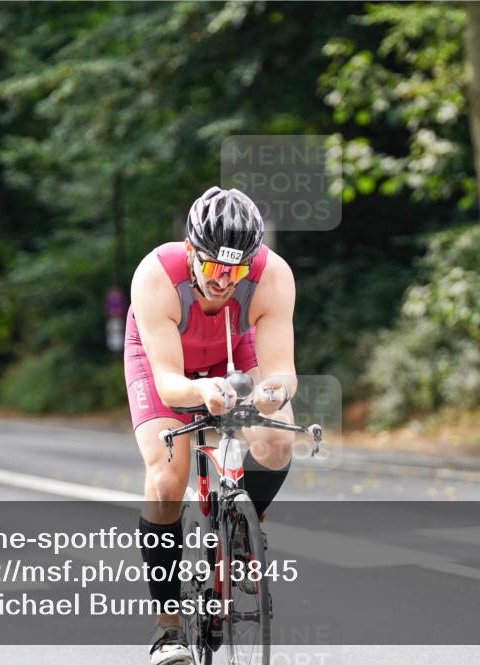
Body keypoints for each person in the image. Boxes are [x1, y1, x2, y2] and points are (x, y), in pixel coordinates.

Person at [126, 186, 298, 664]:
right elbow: (168, 383)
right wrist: (203, 391)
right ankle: (168, 629)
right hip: (167, 363)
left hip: (234, 350)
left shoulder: (273, 276)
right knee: (165, 480)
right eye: (214, 266)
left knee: (278, 435)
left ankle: (243, 537)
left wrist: (272, 394)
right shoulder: (157, 275)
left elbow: (283, 371)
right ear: (190, 251)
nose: (225, 280)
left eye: (237, 269)